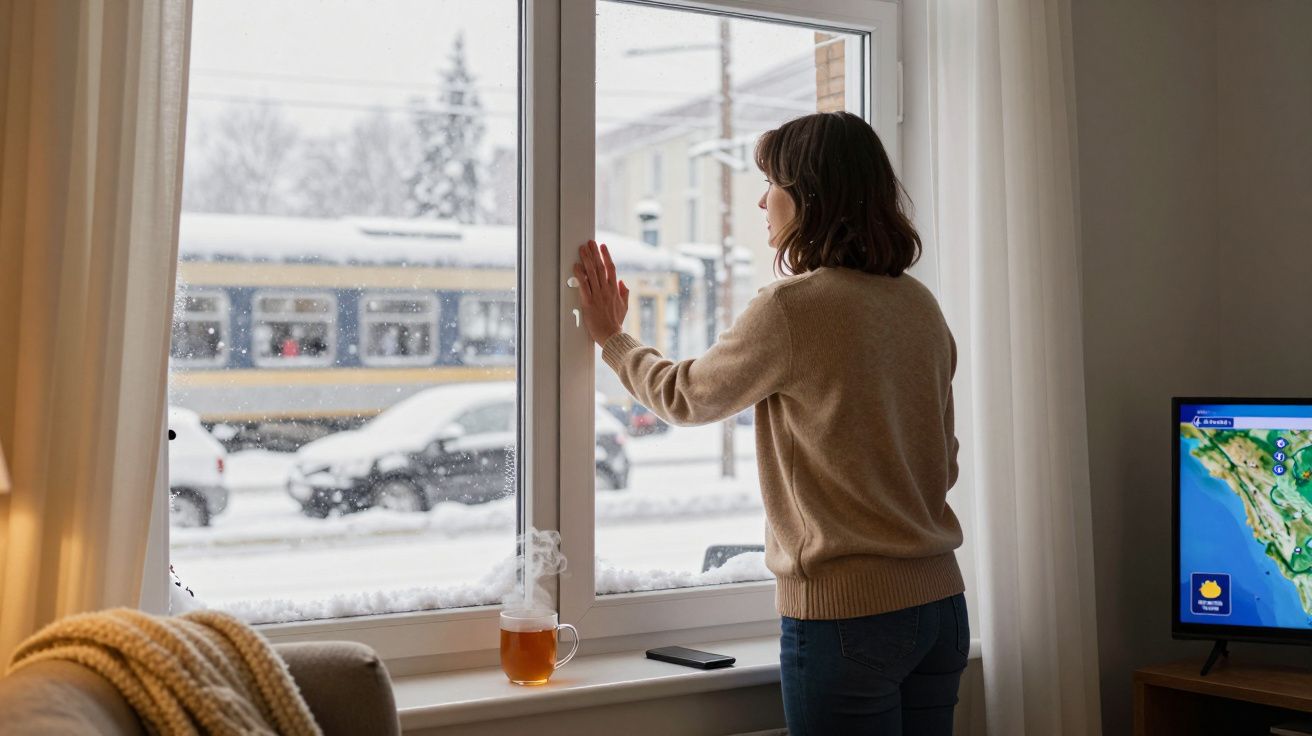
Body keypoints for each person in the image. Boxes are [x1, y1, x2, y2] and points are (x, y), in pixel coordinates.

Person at [574, 111, 967, 736]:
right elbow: (942, 463)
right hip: (941, 610)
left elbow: (686, 397)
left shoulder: (793, 309)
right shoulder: (920, 306)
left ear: (810, 195)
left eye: (773, 184)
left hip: (847, 620)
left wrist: (611, 339)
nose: (762, 200)